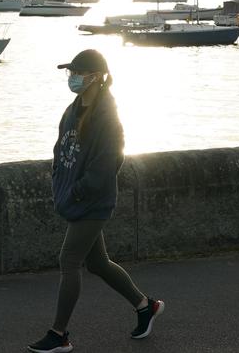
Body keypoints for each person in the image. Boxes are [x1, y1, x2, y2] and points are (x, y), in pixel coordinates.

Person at [28, 48, 164, 353]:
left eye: (77, 73)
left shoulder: (108, 117)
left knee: (69, 261)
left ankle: (59, 334)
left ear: (94, 77)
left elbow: (109, 162)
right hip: (77, 198)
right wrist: (59, 179)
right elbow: (60, 149)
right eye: (70, 73)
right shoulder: (73, 109)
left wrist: (79, 190)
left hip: (94, 202)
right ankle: (146, 306)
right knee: (98, 263)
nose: (72, 78)